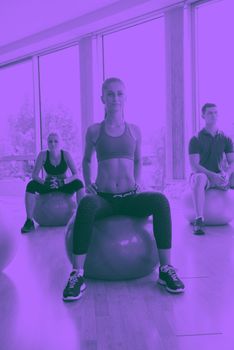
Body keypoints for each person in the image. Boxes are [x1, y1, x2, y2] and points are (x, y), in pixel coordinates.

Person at [62, 77, 185, 301]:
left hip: (130, 197)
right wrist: (89, 183)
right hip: (104, 198)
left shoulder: (135, 131)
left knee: (160, 200)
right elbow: (87, 160)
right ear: (102, 99)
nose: (115, 98)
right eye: (110, 94)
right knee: (86, 204)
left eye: (119, 93)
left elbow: (138, 161)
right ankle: (77, 274)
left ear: (125, 98)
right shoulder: (94, 131)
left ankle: (166, 269)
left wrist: (137, 182)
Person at [21, 132, 84, 233]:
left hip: (63, 185)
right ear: (47, 143)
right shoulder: (43, 155)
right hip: (48, 185)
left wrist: (64, 181)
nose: (53, 144)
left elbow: (76, 174)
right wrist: (43, 182)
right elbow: (34, 175)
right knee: (31, 185)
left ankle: (81, 218)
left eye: (56, 141)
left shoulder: (66, 154)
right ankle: (29, 221)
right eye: (50, 141)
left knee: (79, 183)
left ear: (60, 143)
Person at [189, 103, 234, 235]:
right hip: (203, 177)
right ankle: (199, 220)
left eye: (215, 112)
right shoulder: (195, 139)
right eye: (210, 113)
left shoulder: (226, 138)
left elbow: (232, 161)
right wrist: (212, 175)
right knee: (200, 178)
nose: (213, 115)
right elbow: (195, 166)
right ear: (203, 116)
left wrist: (227, 173)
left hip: (220, 176)